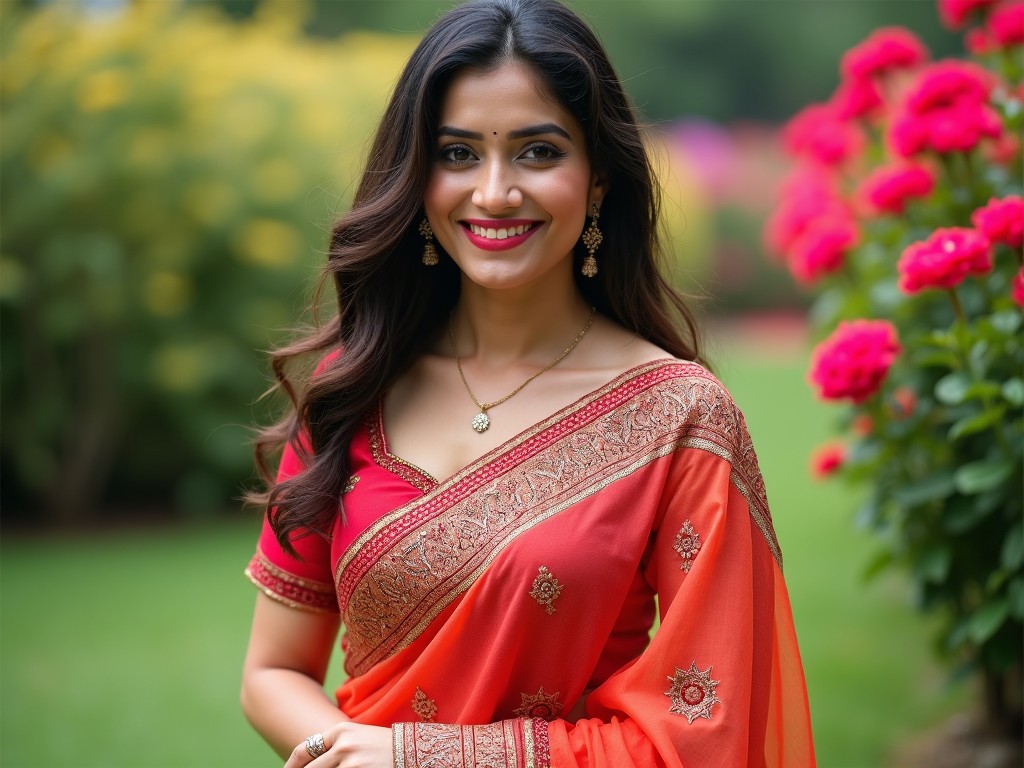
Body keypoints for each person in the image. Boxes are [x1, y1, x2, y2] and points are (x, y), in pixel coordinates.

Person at [241, 0, 816, 766]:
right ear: (418, 178)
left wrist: (417, 760)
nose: (494, 192)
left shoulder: (678, 418)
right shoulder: (356, 389)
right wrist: (343, 753)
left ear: (599, 178)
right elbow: (273, 670)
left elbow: (708, 731)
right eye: (457, 154)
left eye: (538, 152)